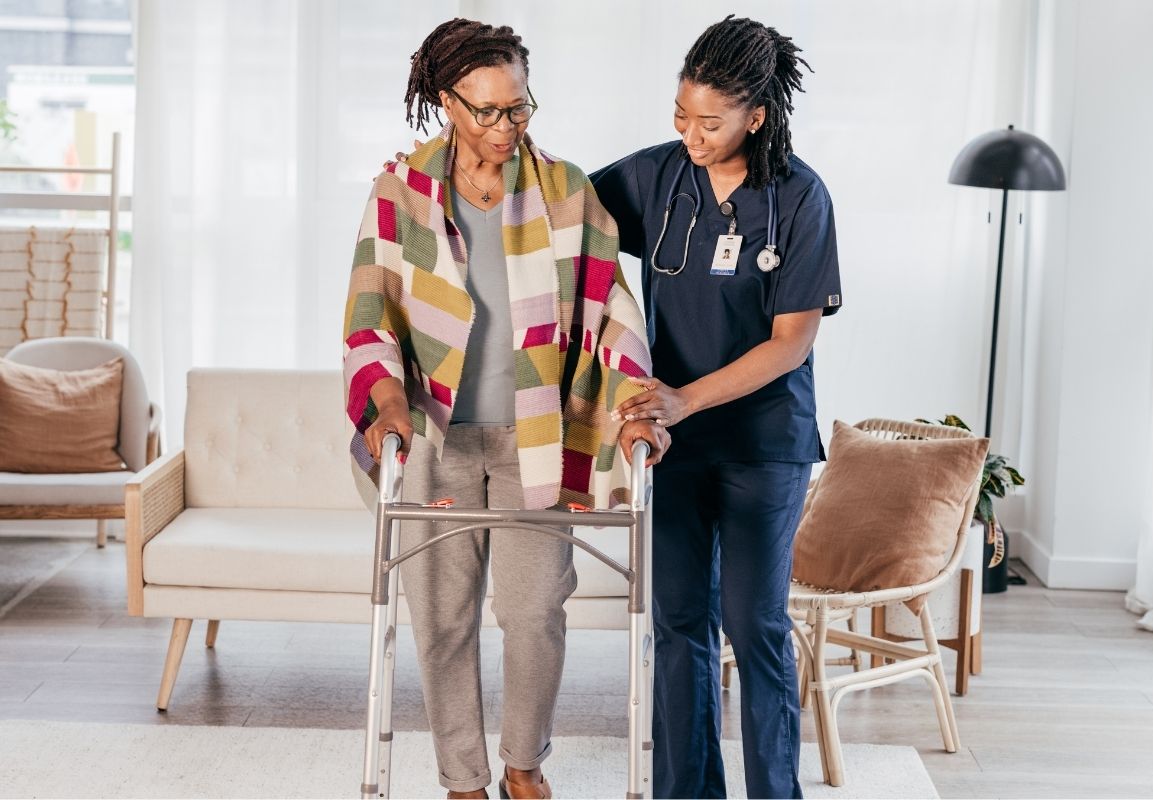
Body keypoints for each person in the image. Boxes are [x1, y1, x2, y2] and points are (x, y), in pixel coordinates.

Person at [342, 19, 669, 800]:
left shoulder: (566, 192)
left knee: (532, 614)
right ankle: (463, 782)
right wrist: (384, 400)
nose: (504, 126)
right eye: (485, 110)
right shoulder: (401, 193)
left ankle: (524, 765)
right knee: (443, 621)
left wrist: (635, 408)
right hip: (433, 437)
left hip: (536, 438)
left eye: (518, 107)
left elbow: (611, 312)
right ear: (444, 101)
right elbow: (368, 319)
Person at [590, 16, 842, 799]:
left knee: (755, 626)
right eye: (680, 116)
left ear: (756, 117)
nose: (690, 135)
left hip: (765, 445)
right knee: (676, 628)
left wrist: (682, 399)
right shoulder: (655, 177)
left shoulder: (800, 198)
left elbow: (790, 342)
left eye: (710, 122)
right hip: (672, 445)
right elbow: (556, 211)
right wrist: (443, 170)